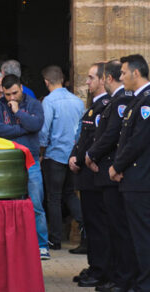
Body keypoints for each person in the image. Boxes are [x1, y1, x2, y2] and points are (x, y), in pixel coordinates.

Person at [109, 54, 150, 292]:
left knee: (144, 235)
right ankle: (135, 280)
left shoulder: (148, 101)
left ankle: (146, 285)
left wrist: (117, 166)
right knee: (134, 234)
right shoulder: (137, 100)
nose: (121, 77)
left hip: (140, 177)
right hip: (133, 177)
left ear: (135, 73)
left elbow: (137, 142)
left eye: (123, 73)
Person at [84, 60, 135, 291]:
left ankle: (122, 277)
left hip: (112, 171)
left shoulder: (121, 101)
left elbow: (112, 135)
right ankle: (115, 275)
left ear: (107, 79)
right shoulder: (114, 101)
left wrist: (91, 155)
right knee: (113, 229)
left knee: (119, 230)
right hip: (104, 172)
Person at [0, 73, 50, 259]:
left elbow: (37, 124)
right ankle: (11, 246)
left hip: (30, 160)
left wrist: (18, 112)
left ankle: (42, 246)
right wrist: (23, 129)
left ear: (21, 88)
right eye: (7, 94)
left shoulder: (33, 104)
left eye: (14, 93)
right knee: (7, 205)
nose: (11, 98)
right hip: (7, 160)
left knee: (36, 204)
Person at [68, 63, 111, 284]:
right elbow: (83, 136)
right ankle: (94, 265)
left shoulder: (106, 105)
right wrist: (73, 155)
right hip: (85, 174)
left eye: (91, 77)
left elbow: (99, 140)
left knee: (98, 226)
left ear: (103, 79)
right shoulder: (94, 106)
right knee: (91, 225)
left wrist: (85, 156)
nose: (87, 81)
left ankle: (101, 269)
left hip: (95, 175)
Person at [39, 65, 86, 250]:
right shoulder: (77, 101)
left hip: (54, 155)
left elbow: (44, 131)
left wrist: (41, 152)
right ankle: (85, 226)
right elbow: (82, 130)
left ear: (46, 82)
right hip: (72, 155)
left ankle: (55, 239)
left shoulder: (49, 102)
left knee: (53, 198)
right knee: (70, 194)